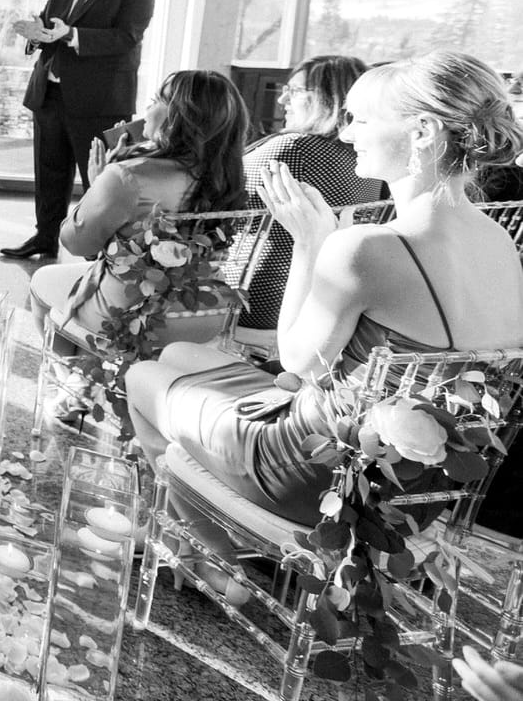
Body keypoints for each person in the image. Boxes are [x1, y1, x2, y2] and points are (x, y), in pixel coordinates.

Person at [125, 51, 523, 601]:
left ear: (424, 131)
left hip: (317, 477)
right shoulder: (501, 241)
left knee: (143, 376)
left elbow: (298, 360)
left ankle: (212, 558)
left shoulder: (368, 247)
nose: (347, 132)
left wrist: (312, 242)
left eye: (361, 119)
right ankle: (220, 542)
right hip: (420, 488)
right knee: (180, 360)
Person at [27, 70, 249, 414]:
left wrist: (97, 184)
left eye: (156, 100)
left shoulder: (127, 175)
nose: (146, 109)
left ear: (180, 117)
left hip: (131, 314)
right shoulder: (230, 177)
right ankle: (88, 383)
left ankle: (77, 388)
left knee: (42, 284)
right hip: (207, 312)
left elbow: (77, 243)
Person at [2, 0, 160, 261]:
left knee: (100, 181)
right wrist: (36, 34)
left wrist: (71, 34)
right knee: (49, 174)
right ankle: (44, 238)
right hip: (50, 93)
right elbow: (50, 29)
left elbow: (126, 37)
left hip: (98, 101)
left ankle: (102, 252)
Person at [240, 55, 383, 331]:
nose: (282, 101)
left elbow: (220, 189)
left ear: (327, 98)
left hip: (259, 301)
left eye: (294, 91)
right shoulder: (365, 158)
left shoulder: (294, 148)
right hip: (328, 303)